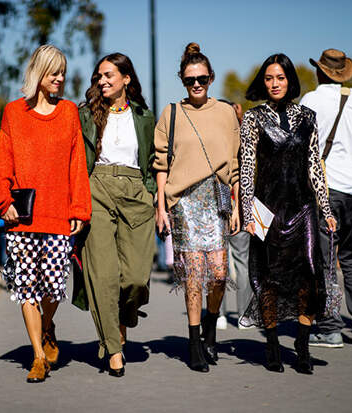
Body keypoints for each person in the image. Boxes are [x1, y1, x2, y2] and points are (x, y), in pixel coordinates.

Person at [0, 45, 91, 383]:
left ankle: (47, 327)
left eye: (62, 72)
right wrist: (3, 202)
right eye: (53, 72)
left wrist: (79, 208)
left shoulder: (69, 112)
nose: (60, 78)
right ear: (38, 73)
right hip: (23, 219)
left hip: (58, 215)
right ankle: (38, 357)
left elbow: (77, 164)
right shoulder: (14, 113)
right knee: (26, 287)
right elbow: (2, 161)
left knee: (53, 288)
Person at [239, 53, 337, 374]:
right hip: (266, 210)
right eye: (269, 78)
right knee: (267, 278)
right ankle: (271, 345)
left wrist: (326, 208)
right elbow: (247, 167)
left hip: (302, 207)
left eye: (280, 78)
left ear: (289, 80)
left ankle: (303, 346)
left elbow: (314, 166)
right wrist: (247, 213)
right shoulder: (253, 118)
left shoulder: (308, 117)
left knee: (309, 273)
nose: (274, 83)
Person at [154, 43, 240, 372]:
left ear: (211, 78)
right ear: (182, 80)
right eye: (190, 80)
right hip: (184, 200)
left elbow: (235, 163)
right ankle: (193, 343)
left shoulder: (226, 113)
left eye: (202, 78)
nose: (196, 84)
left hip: (218, 198)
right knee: (193, 275)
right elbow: (160, 163)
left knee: (218, 274)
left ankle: (210, 328)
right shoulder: (172, 113)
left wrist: (237, 206)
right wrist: (161, 207)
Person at [77, 53, 156, 377]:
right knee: (103, 276)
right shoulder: (87, 114)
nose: (102, 80)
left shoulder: (144, 116)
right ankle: (113, 348)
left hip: (135, 192)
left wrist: (151, 193)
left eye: (109, 74)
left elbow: (152, 159)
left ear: (126, 78)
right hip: (97, 188)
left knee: (135, 278)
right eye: (99, 76)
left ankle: (124, 317)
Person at [300, 48, 352, 348]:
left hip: (328, 189)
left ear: (319, 72)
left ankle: (331, 328)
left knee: (325, 261)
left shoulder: (310, 100)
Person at [217, 99, 253, 331]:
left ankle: (218, 314)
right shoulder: (242, 140)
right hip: (239, 202)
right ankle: (243, 315)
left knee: (217, 260)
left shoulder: (211, 138)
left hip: (215, 204)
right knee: (242, 262)